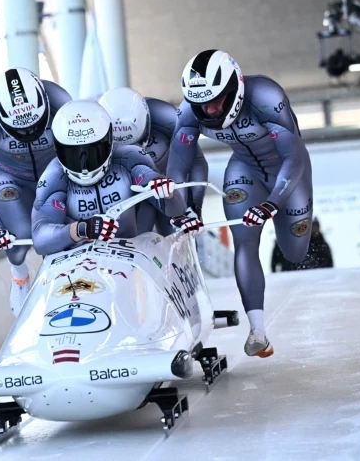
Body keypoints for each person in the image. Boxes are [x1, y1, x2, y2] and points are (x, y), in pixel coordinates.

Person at [167, 49, 313, 358]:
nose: (209, 109)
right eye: (201, 104)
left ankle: (285, 225)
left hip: (288, 171)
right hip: (244, 168)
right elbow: (178, 168)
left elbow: (293, 155)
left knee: (295, 252)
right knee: (244, 240)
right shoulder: (189, 112)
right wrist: (184, 210)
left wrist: (273, 203)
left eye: (217, 99)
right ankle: (257, 331)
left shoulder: (266, 96)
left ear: (235, 88)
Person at [0, 67, 72, 315]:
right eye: (21, 131)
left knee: (58, 234)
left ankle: (63, 280)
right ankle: (19, 273)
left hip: (53, 173)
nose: (29, 135)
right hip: (8, 176)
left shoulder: (61, 101)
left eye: (35, 126)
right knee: (19, 233)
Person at [31, 100, 184, 257]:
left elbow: (175, 208)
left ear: (109, 141)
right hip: (78, 261)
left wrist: (165, 191)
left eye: (92, 152)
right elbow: (40, 238)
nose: (84, 166)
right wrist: (80, 229)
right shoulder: (53, 176)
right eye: (72, 154)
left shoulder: (130, 156)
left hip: (133, 254)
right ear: (58, 149)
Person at [99, 87, 208, 235]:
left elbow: (196, 161)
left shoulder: (168, 117)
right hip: (134, 187)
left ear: (147, 123)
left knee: (177, 235)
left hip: (169, 184)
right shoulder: (94, 124)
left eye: (135, 143)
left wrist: (194, 206)